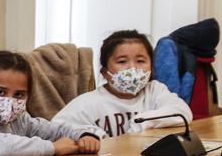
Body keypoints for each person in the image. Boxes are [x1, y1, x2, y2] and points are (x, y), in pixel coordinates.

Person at [54, 30, 193, 136]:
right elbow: (55, 128)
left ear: (152, 67)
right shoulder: (89, 103)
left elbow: (182, 112)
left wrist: (144, 121)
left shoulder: (154, 90)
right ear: (104, 72)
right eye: (122, 61)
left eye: (140, 61)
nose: (132, 68)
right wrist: (92, 134)